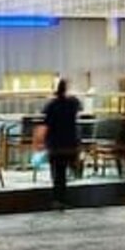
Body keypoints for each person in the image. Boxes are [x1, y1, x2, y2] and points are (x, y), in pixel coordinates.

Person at [41, 78, 83, 209]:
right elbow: (79, 111)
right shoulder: (73, 103)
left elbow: (46, 124)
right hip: (70, 143)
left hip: (55, 144)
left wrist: (42, 141)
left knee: (58, 173)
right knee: (64, 170)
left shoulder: (51, 105)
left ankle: (58, 199)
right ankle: (64, 196)